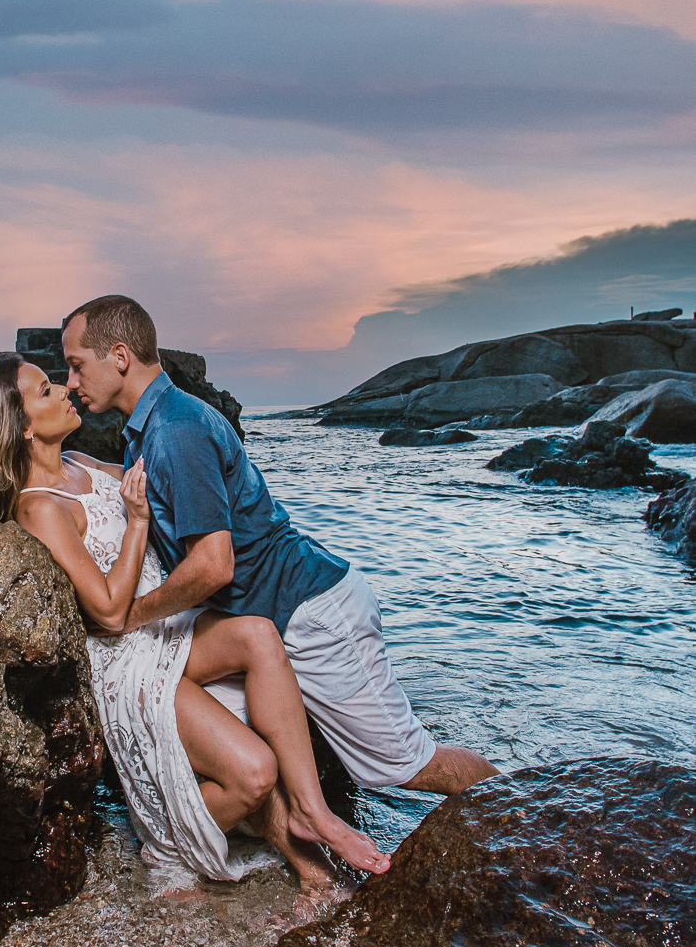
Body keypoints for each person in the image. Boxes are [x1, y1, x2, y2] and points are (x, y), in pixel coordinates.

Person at [0, 353, 390, 890]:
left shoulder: (81, 463)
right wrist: (135, 524)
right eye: (45, 391)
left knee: (259, 634)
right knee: (255, 773)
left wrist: (207, 448)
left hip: (163, 629)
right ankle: (167, 843)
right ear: (23, 428)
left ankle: (312, 811)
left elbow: (164, 472)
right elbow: (108, 609)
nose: (64, 390)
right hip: (123, 657)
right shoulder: (38, 509)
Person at [62, 295, 498, 823]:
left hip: (313, 615)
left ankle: (526, 811)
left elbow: (213, 565)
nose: (71, 381)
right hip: (272, 620)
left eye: (77, 365)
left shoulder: (175, 430)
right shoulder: (150, 430)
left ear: (120, 356)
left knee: (409, 766)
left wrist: (129, 617)